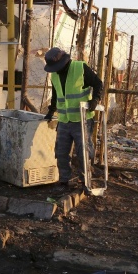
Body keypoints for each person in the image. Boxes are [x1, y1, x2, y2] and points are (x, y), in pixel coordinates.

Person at [42, 47, 103, 189]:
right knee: (61, 152)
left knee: (83, 151)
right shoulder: (55, 75)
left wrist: (95, 100)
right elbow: (56, 95)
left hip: (82, 119)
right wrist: (51, 111)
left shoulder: (79, 67)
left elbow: (98, 83)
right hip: (64, 120)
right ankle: (64, 180)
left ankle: (85, 180)